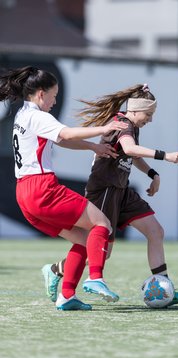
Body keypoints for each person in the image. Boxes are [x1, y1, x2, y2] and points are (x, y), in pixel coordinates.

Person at [42, 83, 178, 307]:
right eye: (148, 114)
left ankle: (165, 288)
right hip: (104, 189)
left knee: (156, 231)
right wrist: (165, 156)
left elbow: (131, 155)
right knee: (102, 252)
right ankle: (56, 269)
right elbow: (130, 149)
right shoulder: (123, 123)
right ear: (134, 110)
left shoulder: (131, 124)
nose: (150, 119)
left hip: (121, 190)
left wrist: (153, 173)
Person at [0, 66, 129, 310]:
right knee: (102, 224)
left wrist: (93, 147)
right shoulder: (38, 116)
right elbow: (67, 133)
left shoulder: (22, 114)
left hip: (24, 193)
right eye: (53, 95)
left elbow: (61, 139)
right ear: (40, 94)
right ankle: (96, 278)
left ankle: (67, 295)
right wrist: (104, 129)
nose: (55, 101)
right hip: (42, 188)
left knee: (83, 241)